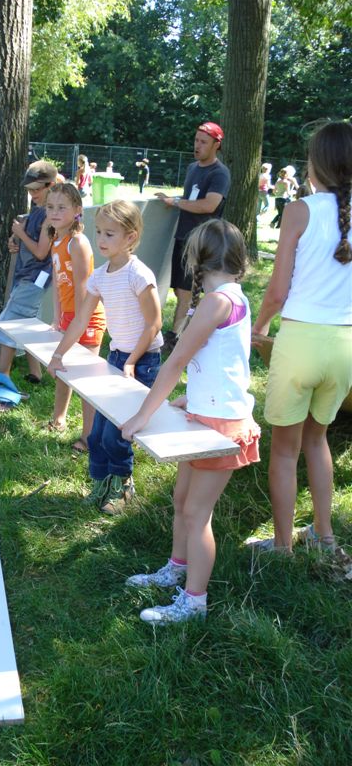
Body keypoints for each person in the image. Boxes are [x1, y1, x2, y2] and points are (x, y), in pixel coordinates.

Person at [122, 219, 260, 624]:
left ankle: (194, 602)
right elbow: (224, 362)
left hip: (222, 427)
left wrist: (144, 414)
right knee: (182, 502)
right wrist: (191, 398)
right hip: (205, 415)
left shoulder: (218, 302)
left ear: (197, 259)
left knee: (198, 514)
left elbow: (177, 360)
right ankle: (177, 570)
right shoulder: (228, 297)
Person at [251, 121, 352, 554]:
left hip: (299, 343)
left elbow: (276, 291)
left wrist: (257, 327)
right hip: (344, 348)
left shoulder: (300, 210)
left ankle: (281, 546)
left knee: (285, 451)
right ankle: (324, 535)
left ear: (317, 164)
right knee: (318, 440)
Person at [48, 200, 163, 515]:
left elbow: (155, 324)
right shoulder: (99, 276)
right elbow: (81, 320)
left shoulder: (138, 274)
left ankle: (122, 486)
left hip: (144, 359)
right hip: (116, 356)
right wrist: (58, 354)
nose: (101, 240)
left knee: (118, 431)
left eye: (110, 234)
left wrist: (132, 360)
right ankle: (100, 484)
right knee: (98, 431)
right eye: (99, 231)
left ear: (131, 237)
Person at [156, 122, 231, 351]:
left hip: (202, 241)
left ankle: (177, 337)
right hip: (183, 237)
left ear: (216, 145)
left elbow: (209, 205)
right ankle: (183, 333)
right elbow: (192, 198)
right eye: (196, 140)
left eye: (203, 142)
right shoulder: (192, 168)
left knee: (189, 292)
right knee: (181, 291)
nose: (197, 146)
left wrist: (176, 202)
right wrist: (174, 199)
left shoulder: (220, 173)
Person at [45, 183, 106, 452]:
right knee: (62, 372)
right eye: (50, 207)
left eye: (62, 207)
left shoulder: (77, 243)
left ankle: (89, 436)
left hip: (87, 319)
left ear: (77, 211)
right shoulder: (56, 240)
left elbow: (84, 289)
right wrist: (59, 319)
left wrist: (77, 327)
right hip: (70, 317)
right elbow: (60, 285)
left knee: (85, 380)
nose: (55, 212)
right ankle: (58, 420)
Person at [0, 160, 57, 382]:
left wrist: (20, 234)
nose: (32, 194)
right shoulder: (39, 208)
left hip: (35, 277)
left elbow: (41, 252)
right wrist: (15, 239)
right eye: (29, 190)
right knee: (30, 323)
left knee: (9, 322)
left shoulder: (51, 215)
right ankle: (35, 372)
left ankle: (3, 376)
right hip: (30, 275)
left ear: (52, 185)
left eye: (37, 190)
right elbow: (29, 231)